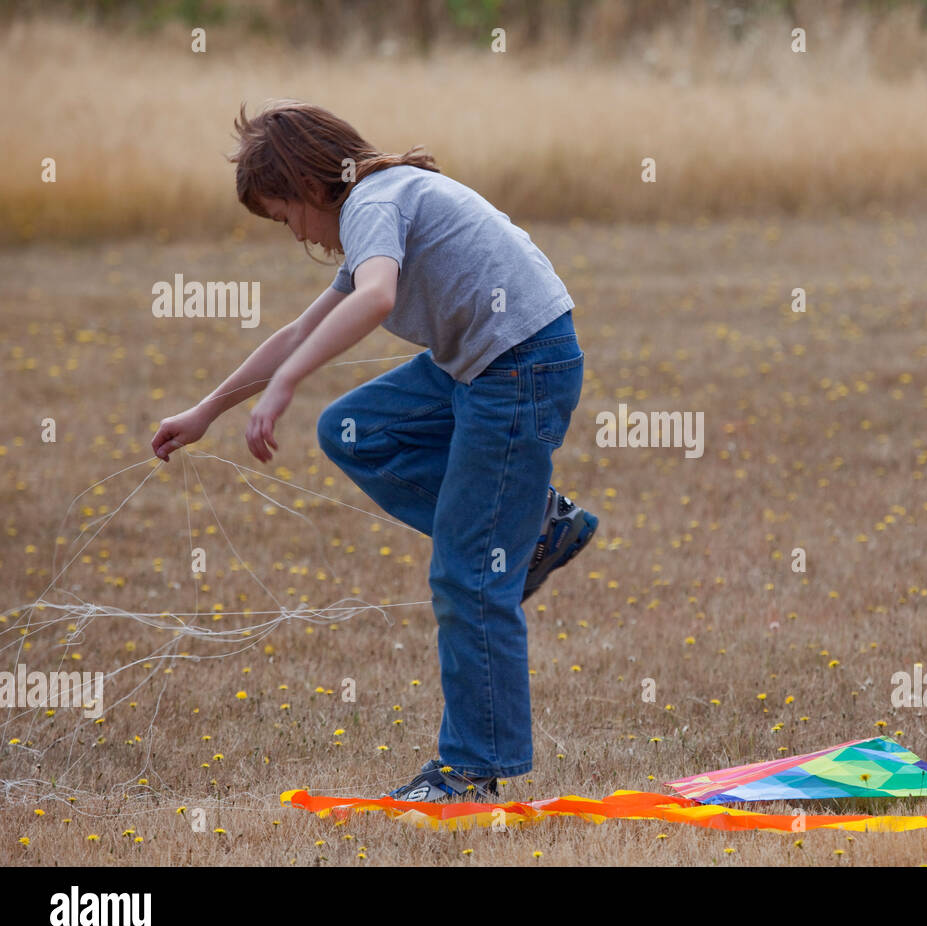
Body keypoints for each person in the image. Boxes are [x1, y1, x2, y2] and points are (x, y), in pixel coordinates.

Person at [150, 99, 597, 802]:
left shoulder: (374, 202)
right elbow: (303, 329)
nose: (293, 232)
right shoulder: (376, 209)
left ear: (306, 188)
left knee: (469, 575)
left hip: (518, 366)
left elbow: (378, 297)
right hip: (483, 364)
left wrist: (289, 385)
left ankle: (471, 770)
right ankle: (537, 526)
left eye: (284, 216)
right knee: (355, 429)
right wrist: (209, 409)